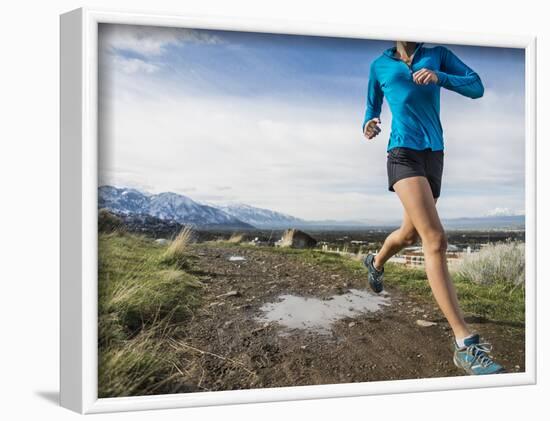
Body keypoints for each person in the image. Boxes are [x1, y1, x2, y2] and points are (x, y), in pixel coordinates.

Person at [362, 41, 504, 375]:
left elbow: (477, 87)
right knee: (435, 239)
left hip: (434, 153)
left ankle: (376, 261)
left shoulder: (437, 54)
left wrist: (440, 76)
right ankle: (465, 344)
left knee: (410, 234)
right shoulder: (379, 65)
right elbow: (372, 108)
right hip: (402, 153)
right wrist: (369, 123)